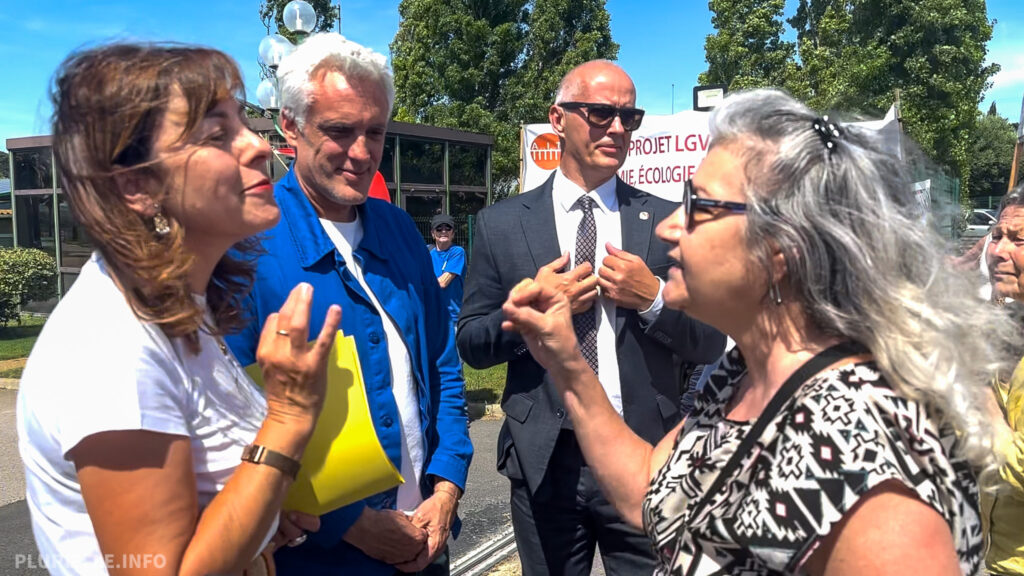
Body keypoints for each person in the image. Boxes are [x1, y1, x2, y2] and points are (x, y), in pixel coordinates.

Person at [501, 88, 1020, 575]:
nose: (667, 227)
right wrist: (567, 361)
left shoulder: (873, 469)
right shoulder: (744, 373)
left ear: (781, 249)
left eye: (699, 205)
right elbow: (648, 492)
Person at [16, 43, 341, 575]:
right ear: (136, 186)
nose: (258, 146)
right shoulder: (112, 348)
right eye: (216, 135)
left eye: (243, 121)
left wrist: (257, 509)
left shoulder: (179, 307)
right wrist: (288, 417)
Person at [457, 60, 726, 575]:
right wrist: (531, 314)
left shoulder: (666, 220)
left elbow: (711, 341)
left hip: (644, 453)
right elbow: (471, 340)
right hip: (546, 460)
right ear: (558, 118)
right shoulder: (502, 225)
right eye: (602, 113)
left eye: (631, 116)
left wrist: (652, 300)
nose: (619, 129)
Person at [224, 33, 473, 576]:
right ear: (289, 126)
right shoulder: (246, 248)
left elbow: (442, 366)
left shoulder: (401, 231)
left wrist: (447, 484)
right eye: (339, 131)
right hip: (320, 559)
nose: (362, 153)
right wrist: (352, 524)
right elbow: (230, 427)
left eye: (375, 132)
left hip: (428, 539)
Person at [983, 184, 1024, 574]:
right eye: (997, 236)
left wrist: (983, 407)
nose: (998, 251)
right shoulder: (1010, 321)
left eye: (1018, 239)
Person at [429, 213, 467, 328]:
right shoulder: (426, 253)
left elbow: (443, 283)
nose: (443, 231)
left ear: (453, 233)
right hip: (431, 316)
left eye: (448, 228)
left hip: (452, 319)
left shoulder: (457, 252)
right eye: (439, 228)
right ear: (433, 233)